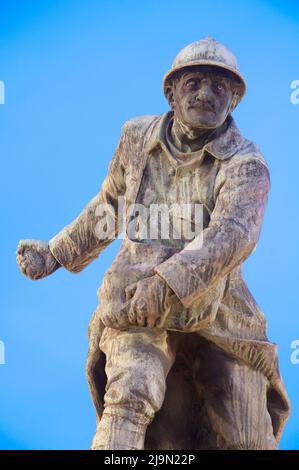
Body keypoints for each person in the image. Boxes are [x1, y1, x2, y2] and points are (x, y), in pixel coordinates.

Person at [17, 37, 290, 450]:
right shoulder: (136, 139)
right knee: (130, 391)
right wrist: (55, 252)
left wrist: (165, 284)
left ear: (234, 99)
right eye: (194, 82)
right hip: (135, 302)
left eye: (219, 87)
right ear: (171, 93)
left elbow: (232, 234)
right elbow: (108, 206)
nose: (205, 94)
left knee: (246, 432)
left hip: (218, 313)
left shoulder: (246, 164)